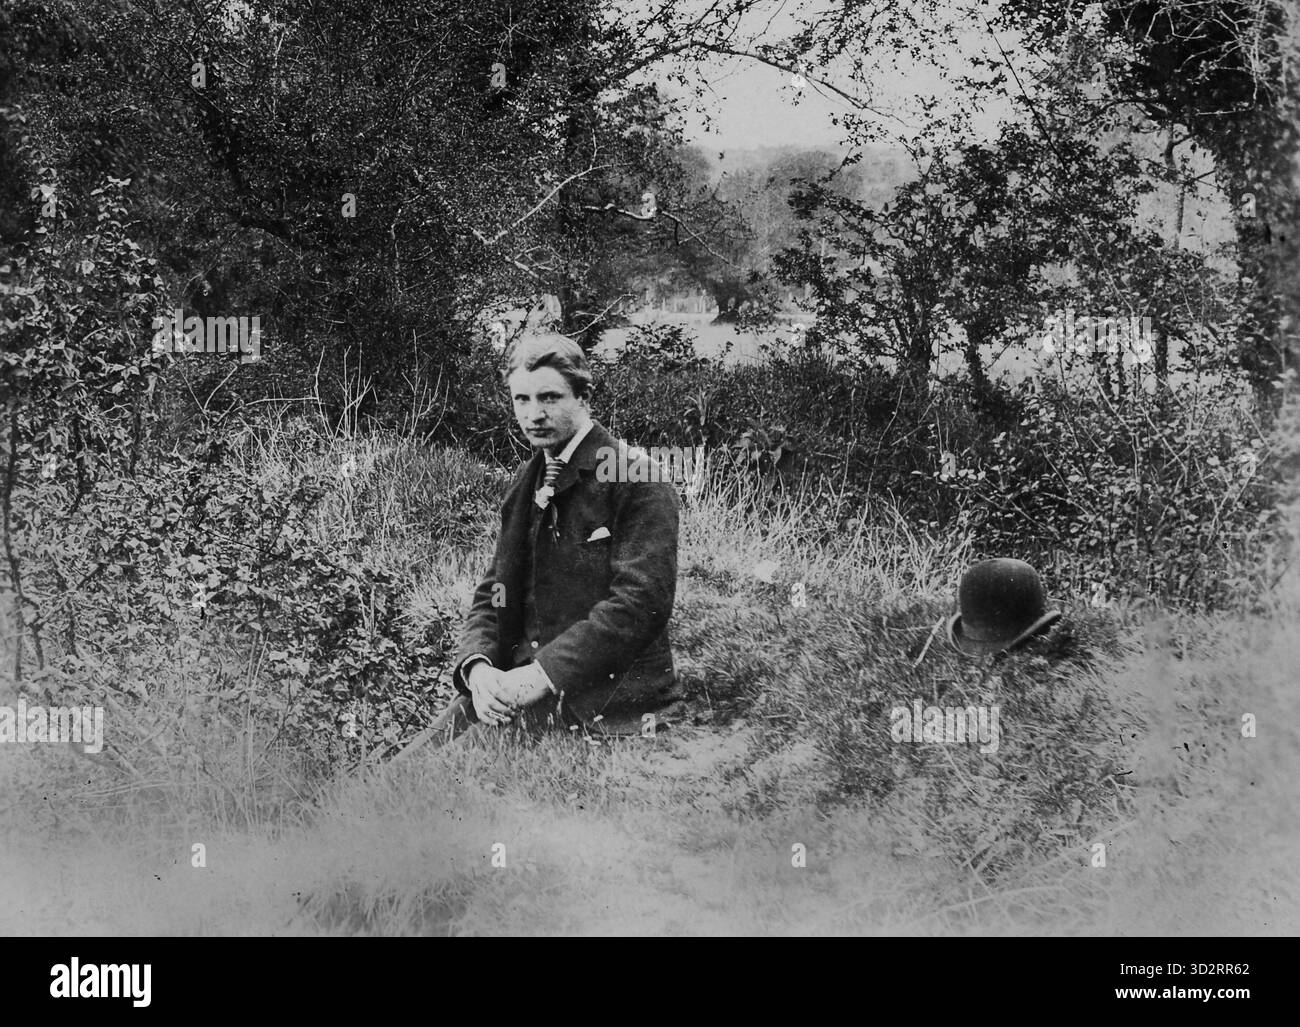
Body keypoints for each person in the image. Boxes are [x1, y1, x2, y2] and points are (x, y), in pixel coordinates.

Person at [428, 333, 684, 745]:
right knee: (394, 779)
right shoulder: (527, 482)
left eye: (549, 397)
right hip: (516, 686)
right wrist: (479, 669)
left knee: (433, 787)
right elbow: (497, 593)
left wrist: (541, 674)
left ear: (583, 397)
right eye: (522, 400)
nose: (534, 415)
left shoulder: (635, 478)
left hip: (602, 703)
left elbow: (640, 604)